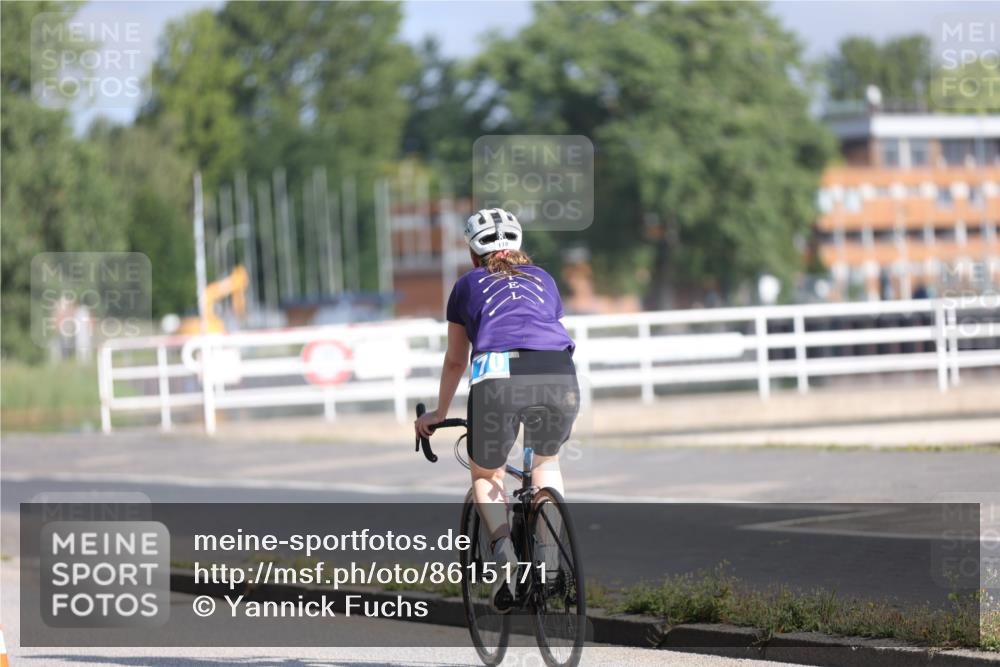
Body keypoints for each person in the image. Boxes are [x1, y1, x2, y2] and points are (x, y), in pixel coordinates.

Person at [414, 207, 580, 612]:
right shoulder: (544, 278)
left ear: (473, 255)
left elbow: (456, 360)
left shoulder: (467, 285)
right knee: (546, 463)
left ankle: (505, 555)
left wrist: (438, 411)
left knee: (486, 473)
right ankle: (552, 561)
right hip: (558, 374)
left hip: (497, 377)